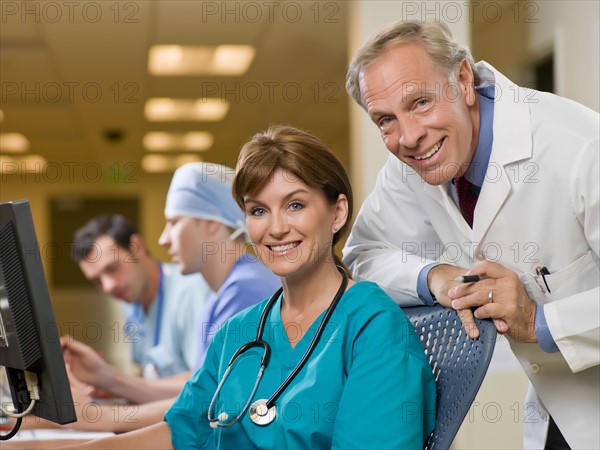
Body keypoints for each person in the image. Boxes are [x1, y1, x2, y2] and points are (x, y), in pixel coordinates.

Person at [68, 125, 436, 449]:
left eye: (295, 205)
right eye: (258, 210)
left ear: (337, 213)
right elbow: (182, 430)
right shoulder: (238, 331)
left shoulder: (374, 328)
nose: (275, 228)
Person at [343, 19, 599, 450]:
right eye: (385, 120)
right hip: (561, 413)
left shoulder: (578, 147)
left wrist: (538, 321)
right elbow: (364, 253)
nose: (409, 137)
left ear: (463, 79)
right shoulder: (412, 166)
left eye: (421, 102)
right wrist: (435, 277)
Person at [63, 214, 211, 403]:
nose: (108, 286)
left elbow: (204, 385)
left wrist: (112, 380)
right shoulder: (131, 306)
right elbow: (151, 377)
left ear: (137, 247)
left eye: (112, 268)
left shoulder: (192, 292)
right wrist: (114, 389)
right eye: (96, 281)